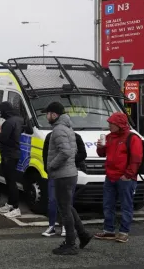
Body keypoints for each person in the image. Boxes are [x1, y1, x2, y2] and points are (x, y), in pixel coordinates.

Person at [43, 102, 92, 255]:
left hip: (63, 174)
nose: (47, 116)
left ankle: (70, 244)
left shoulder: (58, 130)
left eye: (48, 113)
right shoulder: (69, 128)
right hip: (70, 173)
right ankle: (83, 235)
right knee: (68, 207)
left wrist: (51, 165)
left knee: (64, 210)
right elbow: (73, 150)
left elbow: (65, 152)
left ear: (54, 115)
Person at [94, 112, 143, 243]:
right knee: (108, 205)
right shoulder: (110, 137)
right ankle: (108, 231)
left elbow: (136, 159)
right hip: (110, 177)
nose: (109, 125)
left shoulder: (132, 137)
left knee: (126, 205)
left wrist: (128, 175)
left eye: (111, 123)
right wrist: (100, 148)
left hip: (125, 179)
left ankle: (124, 232)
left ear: (119, 124)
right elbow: (102, 154)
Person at [42, 132, 87, 237]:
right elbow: (45, 154)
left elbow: (82, 154)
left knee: (67, 201)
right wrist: (48, 168)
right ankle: (51, 225)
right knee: (53, 200)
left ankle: (65, 226)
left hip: (68, 172)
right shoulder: (50, 136)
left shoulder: (75, 136)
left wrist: (70, 160)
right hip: (55, 173)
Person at [0, 102, 24, 218]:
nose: (0, 113)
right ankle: (10, 204)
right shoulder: (19, 119)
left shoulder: (8, 123)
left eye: (1, 111)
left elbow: (4, 139)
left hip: (9, 155)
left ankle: (16, 208)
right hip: (15, 154)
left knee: (11, 182)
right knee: (9, 180)